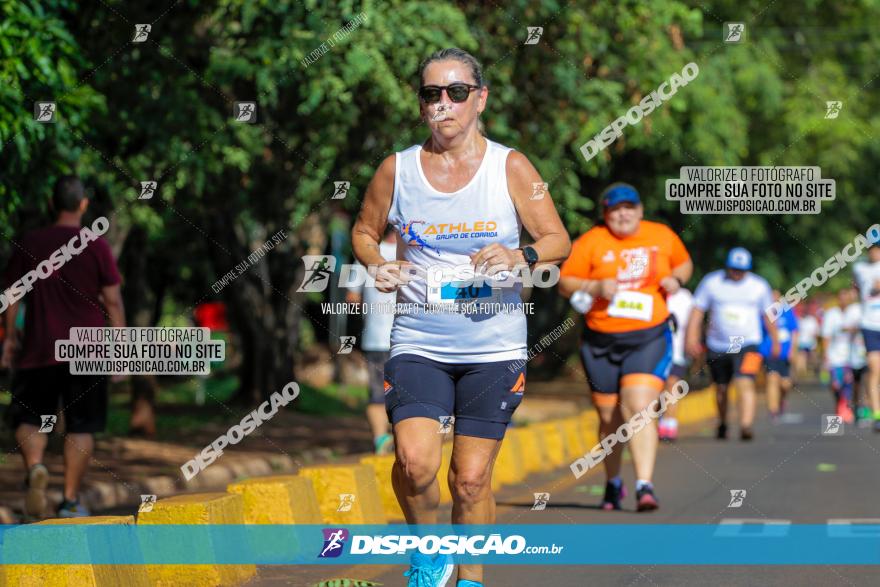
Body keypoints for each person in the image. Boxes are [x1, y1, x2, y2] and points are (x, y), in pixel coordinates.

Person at [351, 47, 570, 587]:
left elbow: (557, 238)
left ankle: (470, 577)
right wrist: (377, 263)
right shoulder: (396, 170)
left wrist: (523, 257)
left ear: (480, 99)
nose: (442, 104)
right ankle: (427, 557)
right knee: (414, 463)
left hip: (493, 347)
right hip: (419, 339)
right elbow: (363, 230)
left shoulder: (511, 167)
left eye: (456, 92)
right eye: (431, 93)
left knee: (470, 480)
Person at [558, 182, 693, 511]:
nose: (623, 214)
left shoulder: (661, 235)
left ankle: (645, 485)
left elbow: (684, 264)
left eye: (629, 207)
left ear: (640, 210)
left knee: (639, 405)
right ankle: (613, 481)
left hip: (648, 335)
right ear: (605, 214)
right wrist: (595, 285)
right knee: (609, 416)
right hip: (601, 339)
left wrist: (677, 279)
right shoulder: (591, 242)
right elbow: (563, 282)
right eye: (615, 209)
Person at [1, 176, 125, 519]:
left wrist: (10, 338)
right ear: (83, 205)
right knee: (81, 426)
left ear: (52, 204)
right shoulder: (96, 244)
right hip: (88, 349)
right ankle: (70, 500)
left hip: (39, 348)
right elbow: (113, 301)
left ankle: (36, 468)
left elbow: (12, 295)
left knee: (29, 418)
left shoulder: (31, 242)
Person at [686, 247, 779, 441]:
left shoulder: (759, 286)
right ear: (727, 267)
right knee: (721, 387)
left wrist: (775, 340)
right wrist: (692, 337)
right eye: (734, 269)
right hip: (717, 345)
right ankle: (723, 422)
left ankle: (746, 425)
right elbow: (697, 311)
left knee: (746, 381)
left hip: (749, 343)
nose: (737, 274)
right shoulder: (712, 282)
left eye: (741, 270)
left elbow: (768, 315)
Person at [346, 225, 397, 454]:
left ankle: (380, 440)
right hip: (411, 338)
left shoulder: (364, 258)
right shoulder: (416, 255)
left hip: (375, 336)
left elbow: (352, 298)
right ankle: (405, 439)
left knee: (377, 391)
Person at [658, 286, 693, 441]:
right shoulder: (654, 292)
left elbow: (693, 323)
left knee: (672, 384)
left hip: (678, 352)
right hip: (654, 351)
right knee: (657, 388)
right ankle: (657, 423)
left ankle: (669, 425)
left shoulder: (685, 297)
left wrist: (692, 342)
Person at [853, 240, 880, 432]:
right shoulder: (859, 268)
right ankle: (877, 414)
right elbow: (857, 289)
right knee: (874, 370)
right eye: (872, 248)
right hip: (869, 325)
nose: (874, 252)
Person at [761, 290, 798, 421]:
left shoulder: (787, 313)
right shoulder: (764, 315)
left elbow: (794, 332)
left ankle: (781, 401)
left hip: (785, 354)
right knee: (772, 378)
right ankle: (773, 411)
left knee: (785, 384)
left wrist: (793, 350)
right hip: (769, 353)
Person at [821, 288, 856, 423]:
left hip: (851, 356)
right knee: (835, 384)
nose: (843, 299)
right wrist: (825, 354)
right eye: (840, 297)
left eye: (845, 296)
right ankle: (840, 403)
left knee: (848, 382)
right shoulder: (831, 314)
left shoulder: (856, 312)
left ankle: (845, 406)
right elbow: (826, 335)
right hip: (834, 356)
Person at [794, 306, 820, 379]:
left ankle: (815, 369)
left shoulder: (812, 320)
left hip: (811, 343)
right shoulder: (798, 320)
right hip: (801, 343)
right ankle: (801, 374)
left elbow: (816, 332)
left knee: (813, 357)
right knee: (802, 357)